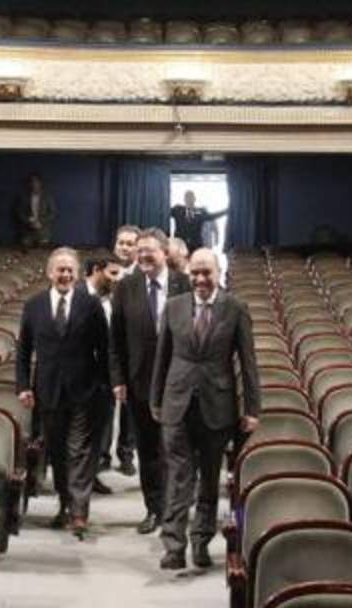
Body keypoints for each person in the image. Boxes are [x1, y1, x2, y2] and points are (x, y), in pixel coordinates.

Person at [150, 248, 260, 569]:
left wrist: (252, 408)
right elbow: (162, 358)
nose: (200, 279)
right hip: (177, 403)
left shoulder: (236, 308)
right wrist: (156, 399)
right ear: (187, 273)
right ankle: (173, 545)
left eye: (206, 273)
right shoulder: (173, 307)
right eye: (195, 272)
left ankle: (201, 541)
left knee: (210, 478)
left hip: (218, 406)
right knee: (179, 476)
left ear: (218, 273)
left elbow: (248, 363)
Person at [17, 247, 109, 538]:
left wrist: (105, 384)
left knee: (79, 451)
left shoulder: (90, 305)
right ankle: (65, 503)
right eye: (60, 269)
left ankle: (79, 512)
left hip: (85, 389)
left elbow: (105, 349)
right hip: (47, 390)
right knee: (57, 452)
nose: (65, 274)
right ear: (49, 273)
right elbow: (23, 351)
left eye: (70, 270)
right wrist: (23, 386)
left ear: (77, 274)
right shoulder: (33, 305)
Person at [110, 228, 191, 534]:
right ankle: (154, 508)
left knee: (176, 449)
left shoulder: (184, 284)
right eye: (140, 250)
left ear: (165, 253)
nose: (143, 255)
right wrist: (118, 378)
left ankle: (174, 508)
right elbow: (115, 339)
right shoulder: (126, 286)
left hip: (179, 382)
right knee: (148, 449)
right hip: (139, 381)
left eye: (150, 250)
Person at [83, 254, 123, 495]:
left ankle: (92, 474)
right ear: (97, 270)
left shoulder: (111, 300)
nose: (117, 280)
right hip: (81, 376)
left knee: (100, 429)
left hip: (105, 377)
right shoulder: (76, 295)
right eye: (113, 274)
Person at [109, 223, 143, 474]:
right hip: (105, 348)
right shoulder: (103, 271)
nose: (124, 247)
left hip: (131, 349)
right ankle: (101, 454)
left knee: (131, 406)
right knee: (104, 405)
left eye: (130, 244)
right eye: (121, 242)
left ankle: (126, 453)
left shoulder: (141, 276)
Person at [13, 173, 58, 247]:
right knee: (25, 247)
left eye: (36, 182)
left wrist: (41, 222)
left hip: (43, 230)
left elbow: (53, 213)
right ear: (29, 184)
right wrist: (28, 221)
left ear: (40, 183)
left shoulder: (47, 197)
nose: (34, 184)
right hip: (27, 231)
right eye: (32, 182)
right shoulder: (24, 197)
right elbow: (19, 212)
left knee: (43, 250)